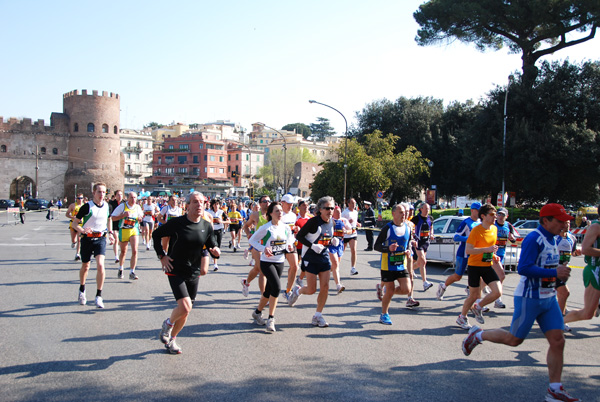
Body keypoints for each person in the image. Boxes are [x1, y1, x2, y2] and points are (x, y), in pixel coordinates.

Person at [462, 203, 579, 402]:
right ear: (546, 221)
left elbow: (550, 266)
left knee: (558, 341)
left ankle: (555, 389)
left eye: (565, 220)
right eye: (560, 220)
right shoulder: (535, 239)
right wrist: (554, 272)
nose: (564, 223)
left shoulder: (555, 239)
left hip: (548, 298)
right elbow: (524, 268)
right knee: (514, 340)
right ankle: (478, 335)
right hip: (529, 297)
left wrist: (559, 278)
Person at [154, 192, 220, 354]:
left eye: (202, 203)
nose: (199, 205)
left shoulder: (206, 226)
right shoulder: (177, 223)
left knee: (186, 311)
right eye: (195, 202)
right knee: (185, 306)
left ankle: (173, 339)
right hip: (175, 269)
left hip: (194, 271)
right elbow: (156, 235)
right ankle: (168, 324)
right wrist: (162, 256)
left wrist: (216, 251)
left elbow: (212, 245)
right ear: (187, 205)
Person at [288, 196, 337, 327]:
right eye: (327, 208)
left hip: (324, 257)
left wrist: (332, 241)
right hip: (310, 257)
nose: (330, 211)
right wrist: (312, 246)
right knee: (311, 289)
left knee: (325, 287)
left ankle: (317, 316)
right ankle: (297, 291)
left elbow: (326, 237)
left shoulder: (332, 222)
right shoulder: (313, 222)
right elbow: (299, 236)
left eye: (332, 208)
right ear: (320, 209)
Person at [248, 201, 296, 332]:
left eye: (281, 211)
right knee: (277, 287)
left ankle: (257, 313)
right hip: (267, 262)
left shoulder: (285, 227)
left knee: (269, 291)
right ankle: (271, 318)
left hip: (280, 261)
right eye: (277, 211)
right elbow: (252, 240)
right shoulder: (266, 228)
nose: (280, 213)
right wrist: (264, 249)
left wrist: (290, 246)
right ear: (270, 213)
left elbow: (290, 239)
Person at [457, 203, 503, 330]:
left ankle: (478, 307)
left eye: (496, 214)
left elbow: (490, 248)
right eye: (492, 215)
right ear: (483, 216)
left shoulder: (494, 229)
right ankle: (462, 317)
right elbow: (468, 250)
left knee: (498, 292)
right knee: (473, 296)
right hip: (474, 266)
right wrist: (486, 249)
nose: (495, 217)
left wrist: (493, 255)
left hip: (487, 265)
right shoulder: (476, 231)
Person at [71, 183, 116, 309]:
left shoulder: (108, 206)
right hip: (87, 239)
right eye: (99, 192)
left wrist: (110, 233)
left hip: (100, 238)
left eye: (103, 192)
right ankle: (82, 289)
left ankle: (99, 296)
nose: (102, 195)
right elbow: (75, 224)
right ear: (94, 193)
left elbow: (109, 219)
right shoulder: (87, 207)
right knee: (85, 266)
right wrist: (82, 230)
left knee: (101, 265)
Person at [374, 203, 414, 325]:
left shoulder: (408, 228)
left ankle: (384, 291)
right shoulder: (387, 228)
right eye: (401, 212)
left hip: (401, 263)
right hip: (388, 264)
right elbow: (376, 246)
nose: (404, 214)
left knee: (407, 289)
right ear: (393, 213)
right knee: (390, 289)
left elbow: (407, 244)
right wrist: (388, 248)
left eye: (405, 212)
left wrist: (408, 251)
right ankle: (384, 314)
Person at [564, 206, 600, 328]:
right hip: (595, 271)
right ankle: (556, 324)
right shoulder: (596, 227)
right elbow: (585, 249)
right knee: (588, 313)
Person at [437, 202, 481, 301]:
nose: (479, 212)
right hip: (463, 253)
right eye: (478, 210)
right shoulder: (466, 222)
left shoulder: (480, 223)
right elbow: (456, 237)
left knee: (477, 276)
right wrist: (469, 238)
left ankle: (474, 296)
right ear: (472, 210)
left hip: (475, 254)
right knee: (458, 276)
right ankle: (443, 286)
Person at [241, 195, 271, 296]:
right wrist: (249, 234)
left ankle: (246, 282)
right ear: (260, 203)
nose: (267, 203)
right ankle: (264, 296)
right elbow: (245, 226)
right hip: (257, 245)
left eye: (268, 201)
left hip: (269, 245)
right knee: (262, 270)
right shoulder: (255, 215)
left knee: (257, 269)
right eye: (264, 201)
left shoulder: (272, 214)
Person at [111, 191, 143, 280]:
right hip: (123, 231)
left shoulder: (137, 207)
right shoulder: (122, 206)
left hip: (134, 230)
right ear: (128, 198)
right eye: (131, 197)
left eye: (135, 198)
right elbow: (112, 218)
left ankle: (132, 272)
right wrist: (122, 216)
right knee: (123, 252)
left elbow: (141, 217)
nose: (133, 199)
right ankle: (121, 268)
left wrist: (140, 219)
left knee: (135, 251)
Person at [280, 194, 300, 300]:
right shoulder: (278, 214)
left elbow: (292, 229)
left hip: (290, 244)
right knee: (275, 270)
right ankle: (268, 293)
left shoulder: (293, 215)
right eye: (288, 203)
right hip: (278, 244)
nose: (290, 205)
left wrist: (296, 229)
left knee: (295, 266)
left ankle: (288, 291)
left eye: (292, 203)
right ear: (282, 203)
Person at [411, 202, 434, 291]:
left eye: (428, 209)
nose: (427, 210)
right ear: (421, 209)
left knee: (420, 263)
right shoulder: (416, 219)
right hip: (418, 242)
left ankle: (409, 269)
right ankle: (425, 282)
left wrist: (431, 234)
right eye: (425, 208)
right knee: (423, 261)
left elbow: (431, 227)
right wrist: (413, 235)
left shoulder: (430, 218)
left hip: (426, 242)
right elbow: (410, 227)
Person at [329, 206, 351, 294]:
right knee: (336, 264)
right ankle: (338, 285)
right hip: (331, 245)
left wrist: (346, 232)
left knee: (335, 265)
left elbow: (351, 230)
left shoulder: (344, 220)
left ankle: (324, 272)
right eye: (336, 212)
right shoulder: (330, 221)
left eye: (339, 212)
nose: (338, 213)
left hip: (340, 245)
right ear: (333, 212)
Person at [341, 198, 361, 275]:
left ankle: (353, 268)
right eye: (352, 203)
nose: (354, 205)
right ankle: (335, 265)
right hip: (345, 234)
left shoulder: (356, 212)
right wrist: (347, 222)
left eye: (355, 203)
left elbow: (355, 221)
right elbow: (340, 221)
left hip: (353, 233)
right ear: (348, 204)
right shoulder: (345, 212)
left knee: (354, 250)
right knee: (341, 252)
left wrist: (357, 224)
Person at [66, 194, 85, 261]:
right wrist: (72, 217)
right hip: (73, 224)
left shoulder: (85, 206)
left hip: (81, 225)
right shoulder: (73, 205)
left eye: (81, 198)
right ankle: (73, 242)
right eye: (79, 198)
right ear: (76, 199)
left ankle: (77, 254)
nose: (80, 199)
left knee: (79, 240)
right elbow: (67, 214)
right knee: (74, 240)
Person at [208, 199, 225, 271]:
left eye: (218, 204)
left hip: (219, 230)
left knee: (218, 246)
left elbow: (229, 221)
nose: (216, 206)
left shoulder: (221, 212)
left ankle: (214, 258)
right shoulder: (208, 212)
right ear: (212, 205)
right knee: (214, 246)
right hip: (212, 231)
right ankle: (215, 265)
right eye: (215, 204)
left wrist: (221, 221)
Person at [108, 190, 124, 264]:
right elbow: (110, 216)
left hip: (122, 224)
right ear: (115, 196)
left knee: (121, 241)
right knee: (116, 239)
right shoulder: (111, 204)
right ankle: (116, 256)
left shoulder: (124, 203)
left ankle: (121, 254)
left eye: (121, 194)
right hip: (114, 223)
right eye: (118, 195)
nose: (120, 196)